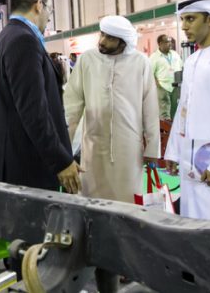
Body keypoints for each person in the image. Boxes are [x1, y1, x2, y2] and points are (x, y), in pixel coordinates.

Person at [64, 15, 160, 292]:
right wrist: (63, 150)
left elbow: (150, 107)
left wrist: (152, 148)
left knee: (127, 211)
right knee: (94, 210)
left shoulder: (140, 63)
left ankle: (125, 264)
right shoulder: (87, 61)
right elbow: (72, 106)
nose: (103, 41)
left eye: (110, 37)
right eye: (102, 35)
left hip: (129, 152)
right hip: (93, 150)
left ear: (124, 41)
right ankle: (97, 262)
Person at [0, 0, 81, 193]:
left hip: (14, 167)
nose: (49, 17)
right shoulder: (23, 41)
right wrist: (60, 160)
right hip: (26, 171)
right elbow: (33, 110)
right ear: (39, 5)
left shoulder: (4, 39)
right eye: (50, 10)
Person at [164, 0, 210, 220]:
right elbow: (183, 109)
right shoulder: (191, 61)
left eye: (190, 19)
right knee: (191, 222)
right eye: (182, 20)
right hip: (189, 162)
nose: (184, 26)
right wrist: (173, 151)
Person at [149, 34, 183, 119]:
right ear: (160, 43)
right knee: (164, 113)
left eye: (170, 42)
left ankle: (174, 126)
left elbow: (181, 67)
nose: (170, 44)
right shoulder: (154, 57)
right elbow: (150, 73)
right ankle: (165, 127)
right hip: (162, 87)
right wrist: (158, 85)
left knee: (175, 111)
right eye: (167, 42)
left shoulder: (175, 54)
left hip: (175, 87)